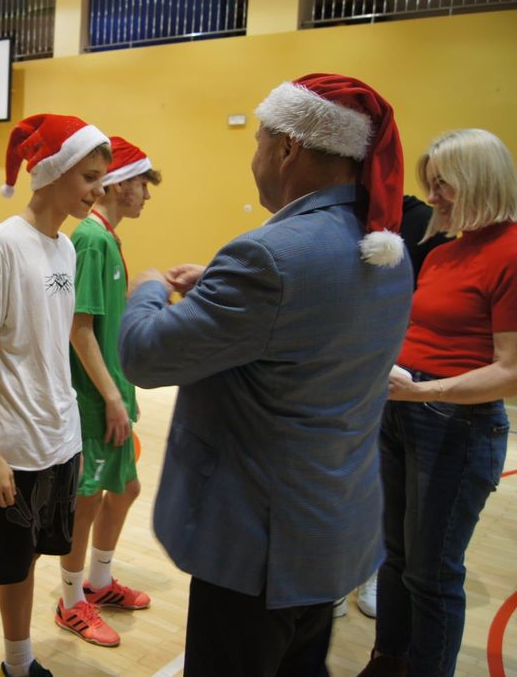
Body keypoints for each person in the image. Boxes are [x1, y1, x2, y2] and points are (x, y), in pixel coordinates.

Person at [118, 73, 413, 676]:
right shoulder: (384, 245)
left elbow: (145, 355)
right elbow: (309, 325)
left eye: (258, 140)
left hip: (257, 548)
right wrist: (219, 288)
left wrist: (147, 289)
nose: (253, 155)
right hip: (330, 529)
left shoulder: (269, 257)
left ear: (287, 148)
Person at [0, 114, 111, 677]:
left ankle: (19, 663)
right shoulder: (1, 244)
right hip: (10, 450)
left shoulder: (65, 249)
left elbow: (54, 346)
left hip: (57, 442)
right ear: (55, 171)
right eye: (89, 177)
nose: (98, 190)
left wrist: (70, 436)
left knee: (28, 559)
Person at [360, 129, 517, 677]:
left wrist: (426, 392)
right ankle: (389, 659)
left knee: (432, 573)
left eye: (442, 184)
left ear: (478, 181)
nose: (432, 197)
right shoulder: (445, 250)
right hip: (403, 410)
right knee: (395, 556)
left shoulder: (510, 252)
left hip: (456, 423)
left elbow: (510, 371)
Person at [55, 136, 161, 647]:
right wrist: (112, 398)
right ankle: (70, 599)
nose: (147, 195)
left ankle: (97, 582)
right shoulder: (92, 239)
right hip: (96, 401)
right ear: (118, 185)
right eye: (143, 183)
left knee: (126, 489)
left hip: (114, 395)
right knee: (88, 500)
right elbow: (79, 330)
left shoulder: (107, 238)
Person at [338, 192, 452, 622]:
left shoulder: (423, 224)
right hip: (348, 362)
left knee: (385, 483)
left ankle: (375, 566)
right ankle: (345, 568)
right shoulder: (340, 214)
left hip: (399, 371)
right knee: (349, 472)